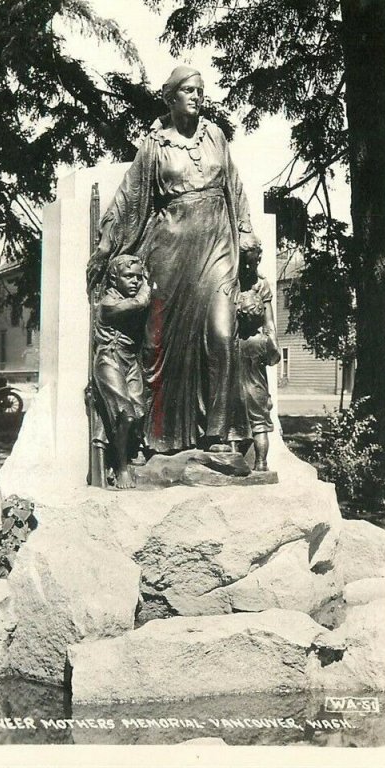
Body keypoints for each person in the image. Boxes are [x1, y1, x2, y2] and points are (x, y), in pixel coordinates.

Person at [87, 65, 256, 454]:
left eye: (201, 90)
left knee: (222, 335)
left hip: (217, 247)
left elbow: (235, 187)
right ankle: (154, 437)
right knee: (157, 345)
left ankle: (219, 434)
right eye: (189, 90)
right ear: (171, 97)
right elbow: (131, 196)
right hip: (171, 250)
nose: (197, 96)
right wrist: (106, 245)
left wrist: (244, 230)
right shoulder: (155, 144)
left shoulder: (216, 136)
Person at [93, 255, 150, 488]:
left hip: (130, 360)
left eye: (138, 277)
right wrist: (147, 285)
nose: (135, 281)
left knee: (138, 410)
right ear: (114, 278)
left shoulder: (129, 296)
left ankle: (130, 451)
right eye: (129, 276)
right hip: (110, 359)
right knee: (124, 413)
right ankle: (121, 468)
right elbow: (139, 304)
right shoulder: (108, 303)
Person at [236, 232, 281, 471]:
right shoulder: (230, 282)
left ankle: (253, 462)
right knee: (259, 422)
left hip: (244, 375)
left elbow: (270, 325)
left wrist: (271, 341)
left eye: (251, 261)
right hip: (255, 385)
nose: (247, 266)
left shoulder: (262, 285)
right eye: (243, 261)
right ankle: (260, 463)